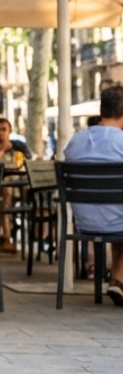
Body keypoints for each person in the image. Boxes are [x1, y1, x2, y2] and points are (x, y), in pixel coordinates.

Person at [63, 85, 123, 304]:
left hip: (84, 220)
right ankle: (117, 279)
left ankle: (117, 280)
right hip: (116, 220)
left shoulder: (75, 141)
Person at [0, 117, 33, 253]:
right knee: (1, 194)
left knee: (6, 191)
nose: (1, 133)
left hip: (18, 187)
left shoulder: (19, 146)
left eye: (4, 130)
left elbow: (26, 164)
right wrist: (1, 151)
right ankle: (5, 238)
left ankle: (5, 237)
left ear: (10, 131)